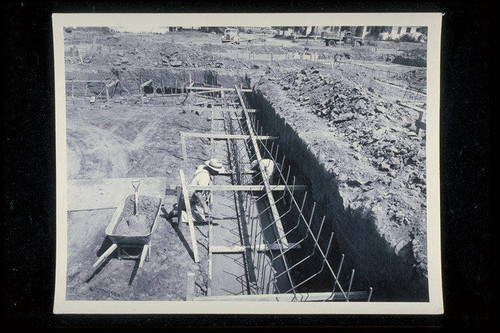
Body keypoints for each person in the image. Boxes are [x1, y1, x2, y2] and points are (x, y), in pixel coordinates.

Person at [170, 158, 225, 224]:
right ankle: (180, 214)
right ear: (211, 169)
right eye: (216, 171)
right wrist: (205, 207)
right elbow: (198, 193)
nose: (218, 172)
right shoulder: (205, 177)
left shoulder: (203, 168)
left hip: (187, 193)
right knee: (200, 219)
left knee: (201, 211)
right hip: (189, 197)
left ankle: (182, 208)